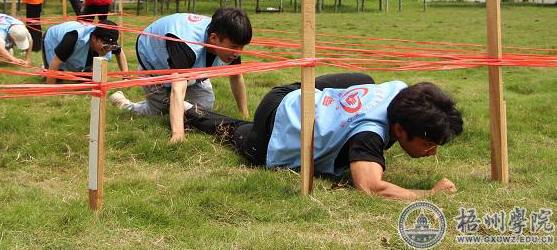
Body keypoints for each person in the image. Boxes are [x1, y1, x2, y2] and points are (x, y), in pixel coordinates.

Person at [184, 73, 464, 200]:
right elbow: (370, 186)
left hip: (301, 95)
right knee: (240, 136)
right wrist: (428, 194)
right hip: (280, 114)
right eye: (428, 144)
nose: (432, 152)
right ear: (400, 129)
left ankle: (319, 110)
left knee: (364, 79)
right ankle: (188, 112)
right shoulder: (369, 135)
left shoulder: (400, 90)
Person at [110, 8, 252, 144]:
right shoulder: (187, 43)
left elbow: (236, 76)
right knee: (157, 111)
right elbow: (178, 87)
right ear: (214, 38)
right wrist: (178, 134)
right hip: (153, 58)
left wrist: (244, 115)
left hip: (189, 64)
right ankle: (123, 104)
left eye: (242, 47)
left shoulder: (230, 40)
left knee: (204, 105)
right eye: (235, 47)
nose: (238, 53)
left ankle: (173, 106)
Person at [42, 19, 128, 83]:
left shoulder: (109, 40)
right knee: (56, 76)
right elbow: (55, 62)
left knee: (90, 79)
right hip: (52, 38)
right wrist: (50, 89)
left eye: (111, 46)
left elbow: (119, 52)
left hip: (77, 45)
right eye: (105, 45)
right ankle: (45, 69)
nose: (108, 49)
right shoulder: (73, 37)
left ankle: (81, 72)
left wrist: (126, 77)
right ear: (94, 38)